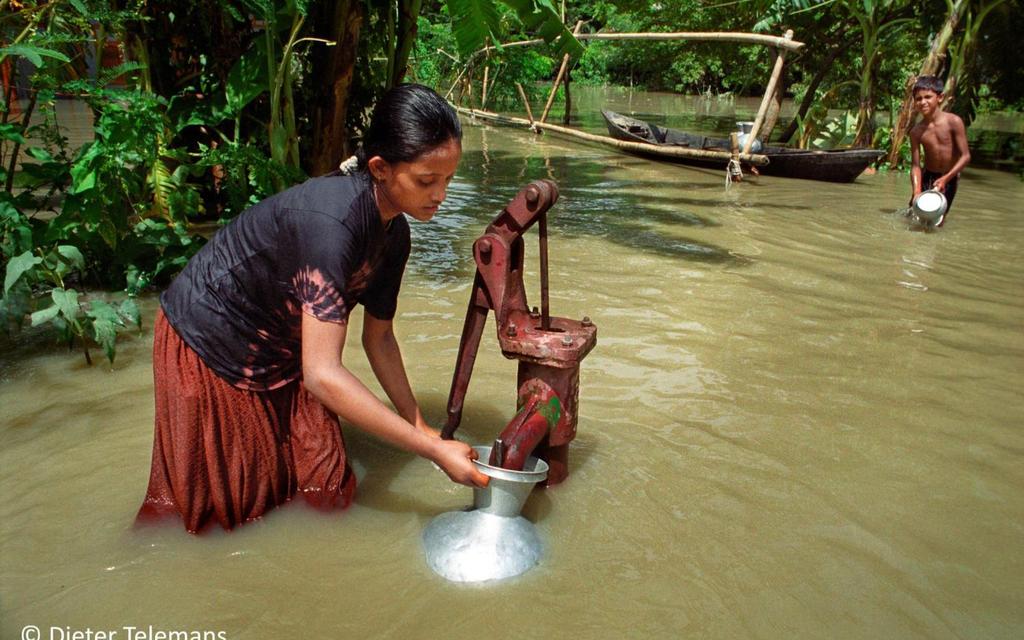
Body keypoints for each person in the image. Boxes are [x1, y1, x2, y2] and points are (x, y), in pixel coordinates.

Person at [138, 83, 488, 533]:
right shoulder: (332, 224)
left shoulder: (395, 234)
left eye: (447, 180)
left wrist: (422, 429)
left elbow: (378, 338)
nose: (440, 195)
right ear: (380, 168)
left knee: (325, 488)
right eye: (426, 180)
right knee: (226, 510)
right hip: (212, 339)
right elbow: (322, 374)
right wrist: (433, 453)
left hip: (285, 345)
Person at [908, 75, 971, 227]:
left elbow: (965, 156)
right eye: (918, 98)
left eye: (928, 97)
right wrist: (916, 191)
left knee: (938, 219)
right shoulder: (916, 132)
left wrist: (946, 178)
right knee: (914, 215)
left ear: (940, 97)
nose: (923, 102)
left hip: (949, 177)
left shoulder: (953, 122)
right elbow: (916, 166)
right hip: (928, 175)